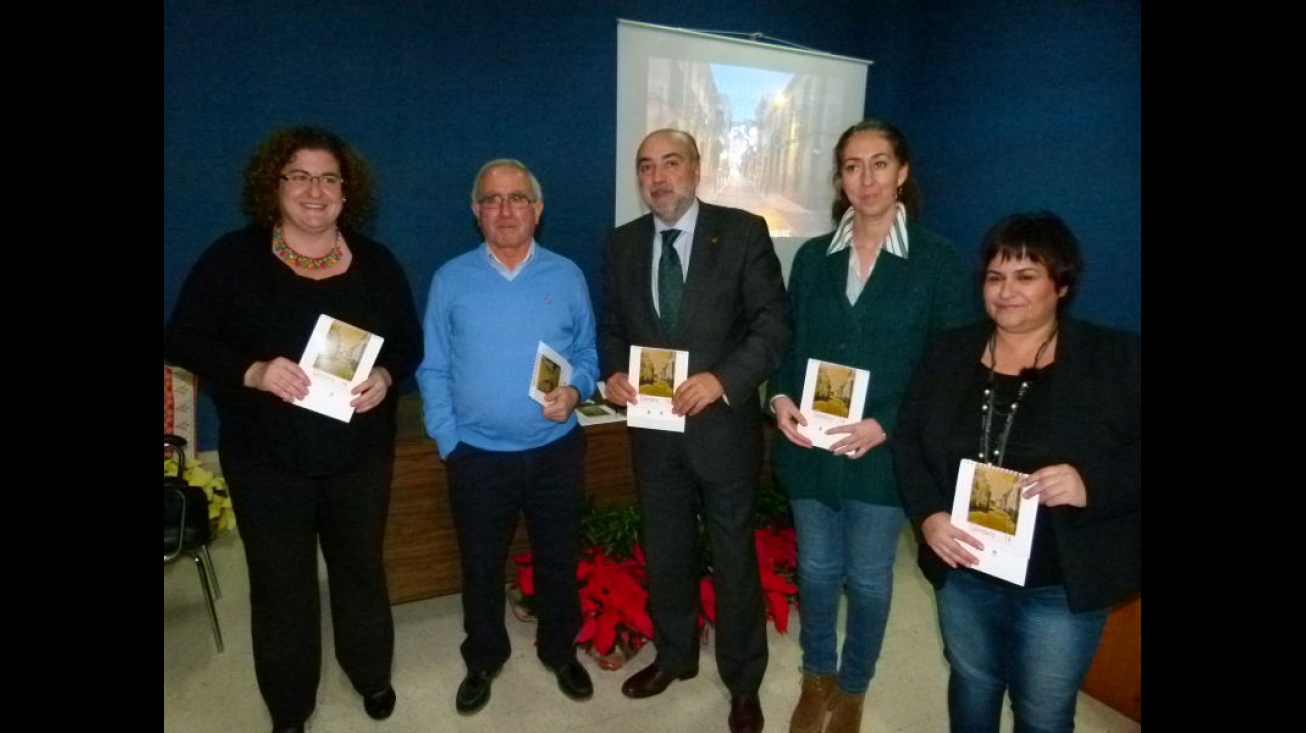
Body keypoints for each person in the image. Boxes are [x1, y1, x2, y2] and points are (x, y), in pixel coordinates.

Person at [164, 125, 423, 733]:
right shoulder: (233, 258)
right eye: (299, 176)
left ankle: (371, 675)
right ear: (273, 185)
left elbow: (408, 343)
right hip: (265, 459)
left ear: (345, 190)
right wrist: (252, 370)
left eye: (328, 178)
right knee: (283, 588)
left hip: (358, 454)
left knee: (361, 569)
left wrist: (386, 377)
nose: (315, 191)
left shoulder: (378, 264)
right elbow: (181, 337)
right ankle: (289, 706)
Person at [893, 210, 1142, 733]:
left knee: (1044, 711)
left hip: (1059, 580)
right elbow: (911, 444)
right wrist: (930, 516)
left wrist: (1089, 483)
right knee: (973, 684)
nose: (1006, 291)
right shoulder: (947, 351)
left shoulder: (1115, 360)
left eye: (1026, 276)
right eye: (995, 276)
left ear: (1063, 284)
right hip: (965, 567)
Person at [768, 119, 978, 733]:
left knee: (867, 578)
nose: (866, 179)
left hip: (885, 454)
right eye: (853, 166)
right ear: (840, 178)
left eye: (879, 163)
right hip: (811, 446)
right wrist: (779, 398)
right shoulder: (812, 257)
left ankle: (854, 687)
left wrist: (884, 423)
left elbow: (951, 368)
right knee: (815, 571)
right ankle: (816, 677)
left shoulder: (936, 261)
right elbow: (785, 346)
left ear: (902, 172)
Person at [599, 128, 790, 733]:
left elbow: (772, 324)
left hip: (722, 429)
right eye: (646, 167)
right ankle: (675, 656)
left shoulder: (741, 232)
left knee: (734, 557)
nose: (658, 178)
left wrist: (722, 380)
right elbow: (609, 327)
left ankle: (743, 682)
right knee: (665, 549)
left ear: (697, 169)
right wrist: (611, 373)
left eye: (671, 164)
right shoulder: (621, 244)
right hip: (653, 432)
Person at [416, 159, 599, 716]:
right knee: (480, 564)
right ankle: (484, 657)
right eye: (492, 200)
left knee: (557, 559)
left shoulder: (567, 275)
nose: (505, 210)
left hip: (555, 452)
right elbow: (433, 368)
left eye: (517, 198)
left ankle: (559, 649)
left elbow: (588, 356)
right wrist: (450, 442)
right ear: (476, 213)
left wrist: (575, 391)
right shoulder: (451, 278)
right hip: (477, 457)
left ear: (537, 210)